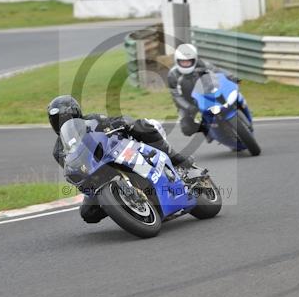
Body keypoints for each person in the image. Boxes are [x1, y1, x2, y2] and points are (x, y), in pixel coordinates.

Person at [48, 95, 194, 223]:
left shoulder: (91, 119)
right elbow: (72, 167)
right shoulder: (58, 150)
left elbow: (111, 121)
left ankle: (176, 158)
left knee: (141, 125)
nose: (62, 123)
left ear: (76, 113)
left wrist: (121, 123)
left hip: (117, 152)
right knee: (88, 214)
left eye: (65, 118)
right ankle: (124, 206)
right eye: (57, 120)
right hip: (95, 174)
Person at [167, 43, 240, 137]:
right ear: (177, 61)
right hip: (187, 101)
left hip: (206, 93)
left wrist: (231, 77)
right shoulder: (172, 75)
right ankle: (207, 129)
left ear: (195, 59)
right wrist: (189, 107)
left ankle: (239, 111)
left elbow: (217, 71)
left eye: (189, 61)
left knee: (229, 98)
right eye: (183, 62)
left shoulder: (202, 64)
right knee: (186, 128)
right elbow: (176, 95)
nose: (186, 64)